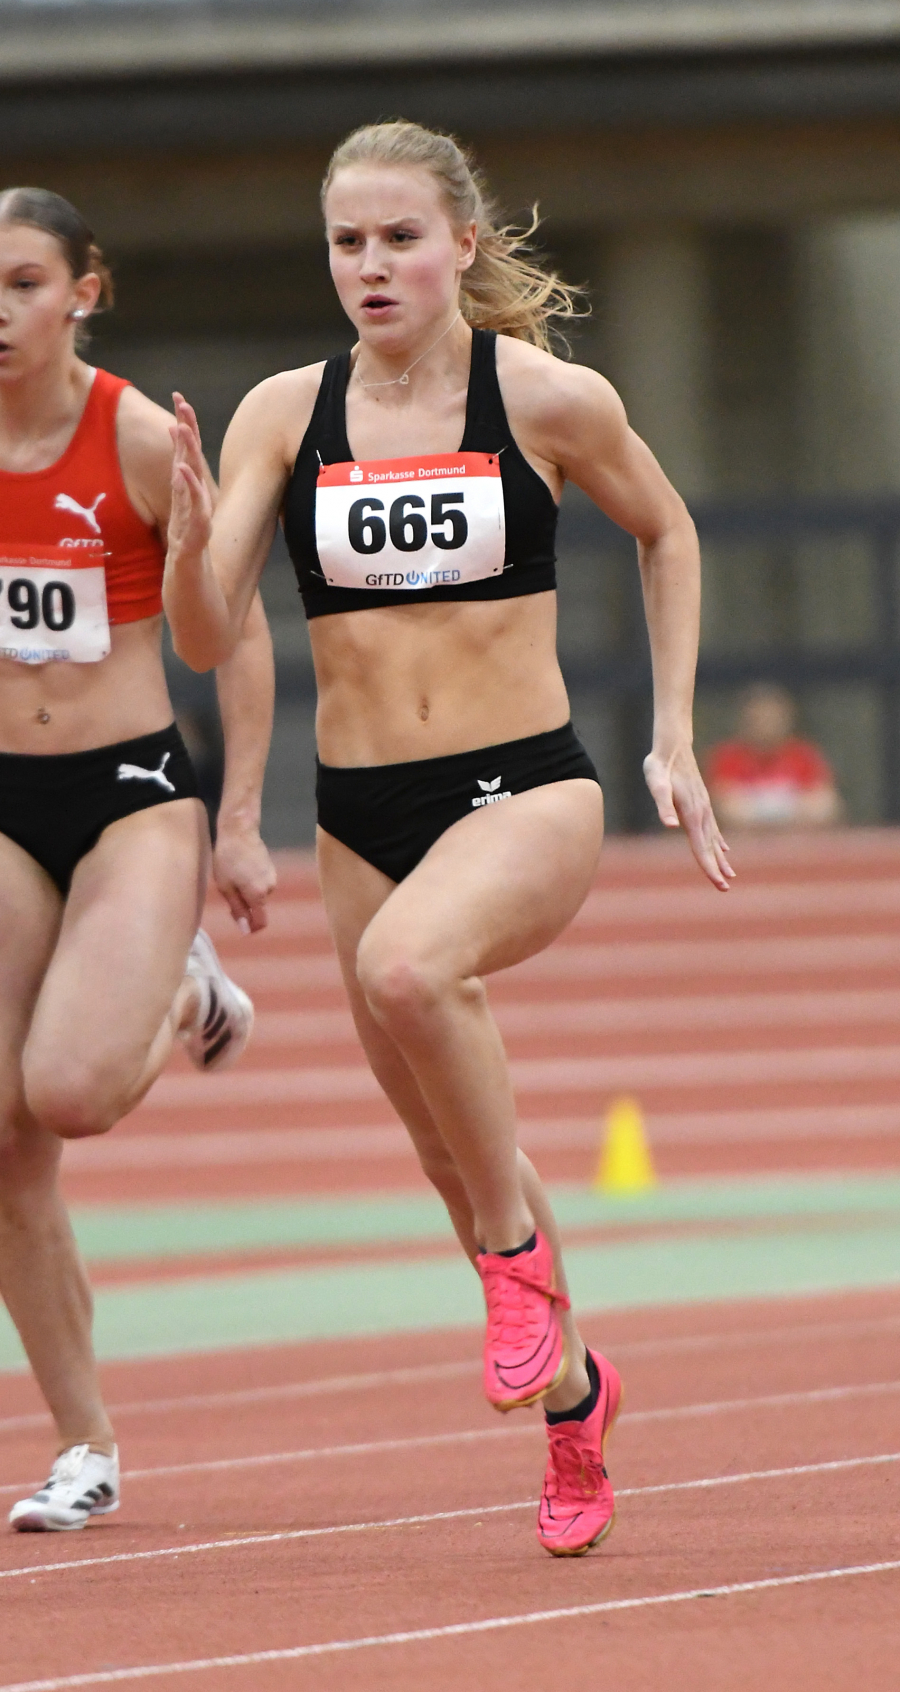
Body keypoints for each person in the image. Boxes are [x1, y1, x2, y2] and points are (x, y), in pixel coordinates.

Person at [164, 121, 732, 1559]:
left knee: (415, 972)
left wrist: (674, 730)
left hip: (525, 787)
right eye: (348, 242)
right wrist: (184, 539)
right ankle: (577, 1404)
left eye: (401, 238)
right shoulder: (283, 416)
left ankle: (517, 1265)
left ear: (462, 246)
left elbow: (669, 532)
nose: (372, 265)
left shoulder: (544, 397)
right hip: (363, 813)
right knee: (444, 1141)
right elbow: (204, 634)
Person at [0, 187, 276, 1531]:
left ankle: (182, 982)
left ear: (83, 293)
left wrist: (240, 822)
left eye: (22, 284)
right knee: (3, 1145)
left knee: (67, 1093)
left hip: (128, 794)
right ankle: (84, 1447)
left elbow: (228, 642)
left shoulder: (138, 438)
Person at [705, 682, 842, 831]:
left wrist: (760, 812)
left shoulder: (804, 755)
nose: (766, 723)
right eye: (759, 717)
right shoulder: (727, 757)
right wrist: (792, 810)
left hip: (797, 841)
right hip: (743, 842)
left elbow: (825, 806)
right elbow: (725, 809)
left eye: (771, 717)